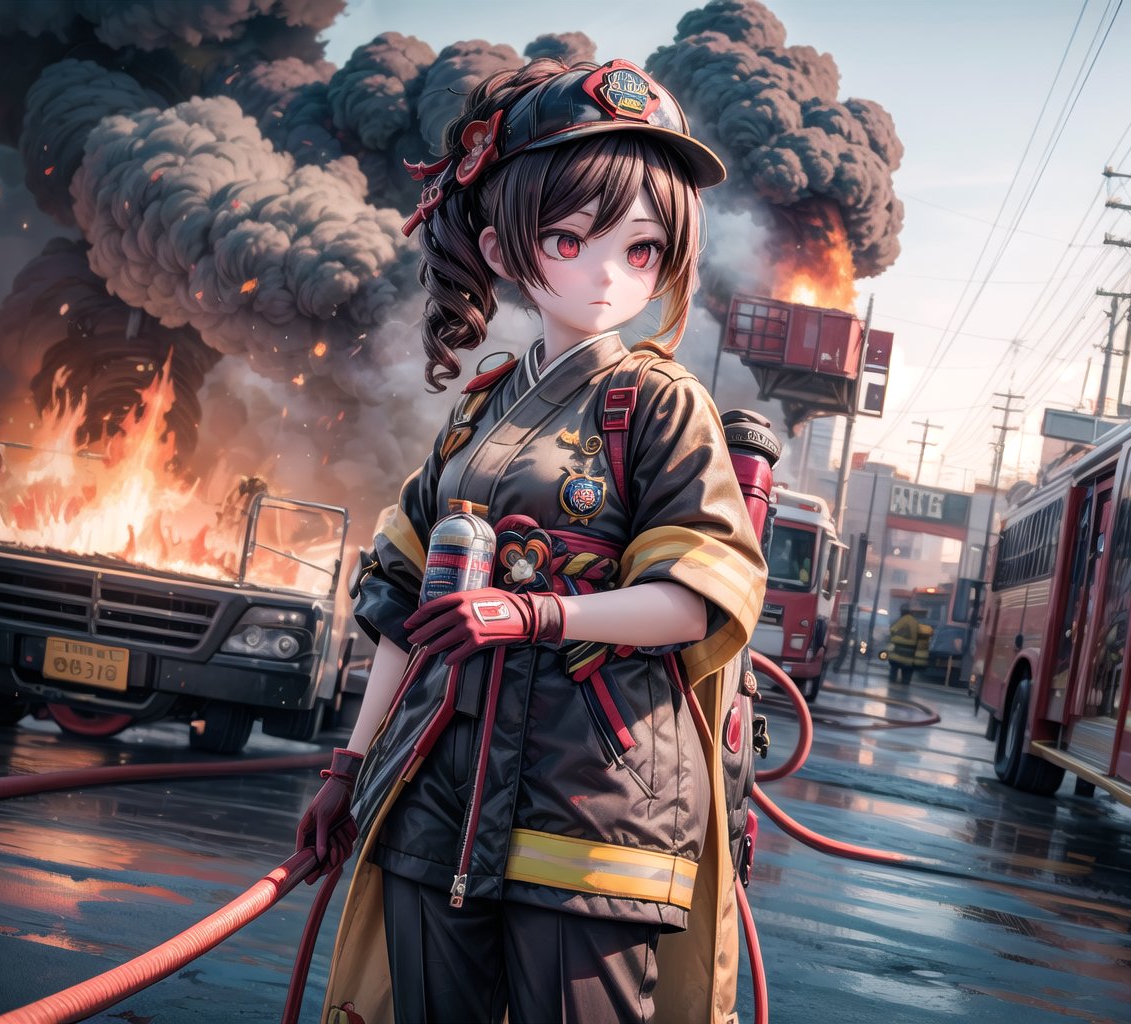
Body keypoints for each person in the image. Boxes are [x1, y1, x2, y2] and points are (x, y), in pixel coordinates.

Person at [294, 57, 764, 1024]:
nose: (605, 271)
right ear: (508, 247)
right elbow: (401, 607)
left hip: (595, 819)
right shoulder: (475, 414)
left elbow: (698, 597)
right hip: (434, 801)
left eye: (640, 249)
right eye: (569, 237)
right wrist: (349, 766)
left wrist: (534, 612)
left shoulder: (663, 405)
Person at [887, 606, 921, 685]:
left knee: (892, 676)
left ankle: (892, 689)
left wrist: (888, 651)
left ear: (901, 611)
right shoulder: (915, 622)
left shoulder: (898, 621)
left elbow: (891, 633)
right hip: (909, 656)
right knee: (906, 678)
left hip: (896, 654)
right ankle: (905, 686)